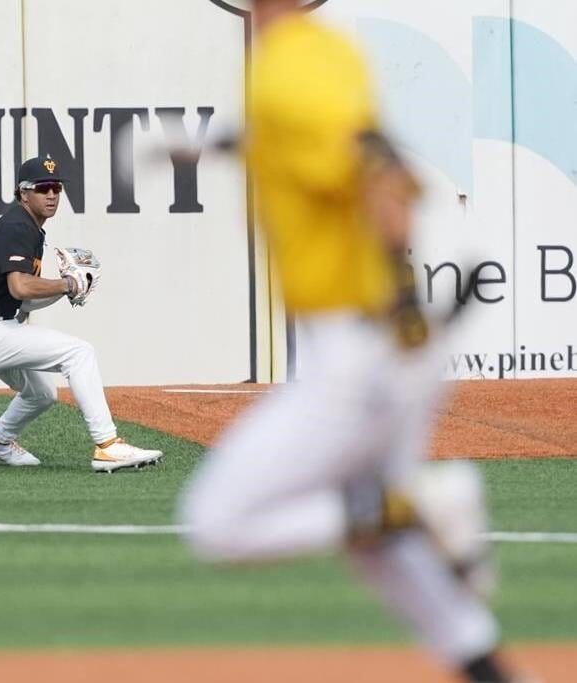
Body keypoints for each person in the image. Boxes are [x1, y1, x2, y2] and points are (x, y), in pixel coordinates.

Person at [179, 2, 534, 682]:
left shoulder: (283, 65)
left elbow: (373, 164)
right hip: (376, 345)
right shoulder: (326, 49)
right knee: (376, 540)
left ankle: (421, 501)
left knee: (217, 522)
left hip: (355, 350)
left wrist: (400, 304)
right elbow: (328, 147)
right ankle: (488, 668)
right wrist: (211, 147)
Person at [0, 155, 163, 473]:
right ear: (24, 193)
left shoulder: (29, 228)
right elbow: (21, 287)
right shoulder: (17, 224)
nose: (51, 194)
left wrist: (68, 290)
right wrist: (67, 283)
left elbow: (21, 301)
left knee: (42, 393)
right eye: (42, 188)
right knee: (79, 353)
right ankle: (108, 445)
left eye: (56, 188)